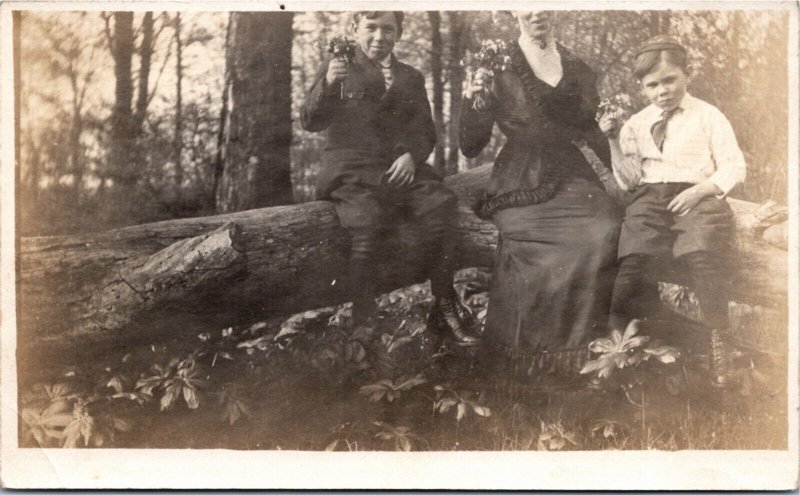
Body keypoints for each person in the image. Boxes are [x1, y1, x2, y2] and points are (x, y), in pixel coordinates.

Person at [301, 11, 479, 346]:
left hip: (398, 167)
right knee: (365, 222)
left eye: (389, 29)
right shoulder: (339, 67)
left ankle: (444, 304)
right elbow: (311, 121)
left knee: (440, 204)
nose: (380, 36)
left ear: (397, 34)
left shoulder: (410, 77)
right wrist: (327, 84)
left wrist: (411, 155)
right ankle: (364, 324)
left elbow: (425, 131)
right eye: (371, 28)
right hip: (350, 168)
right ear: (355, 29)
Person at [460, 11, 621, 375]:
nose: (537, 11)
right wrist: (472, 98)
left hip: (575, 173)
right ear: (513, 11)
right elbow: (470, 145)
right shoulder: (494, 64)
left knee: (607, 229)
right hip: (520, 179)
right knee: (533, 246)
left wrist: (622, 175)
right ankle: (527, 365)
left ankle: (589, 360)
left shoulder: (576, 66)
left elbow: (595, 132)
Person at [598, 35, 746, 386]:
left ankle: (718, 345)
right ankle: (614, 350)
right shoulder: (636, 123)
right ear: (642, 87)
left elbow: (733, 166)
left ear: (687, 75)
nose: (662, 90)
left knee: (703, 255)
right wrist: (612, 139)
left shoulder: (708, 116)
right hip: (651, 196)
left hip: (699, 195)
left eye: (670, 80)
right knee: (633, 261)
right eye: (652, 85)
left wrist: (701, 191)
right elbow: (628, 181)